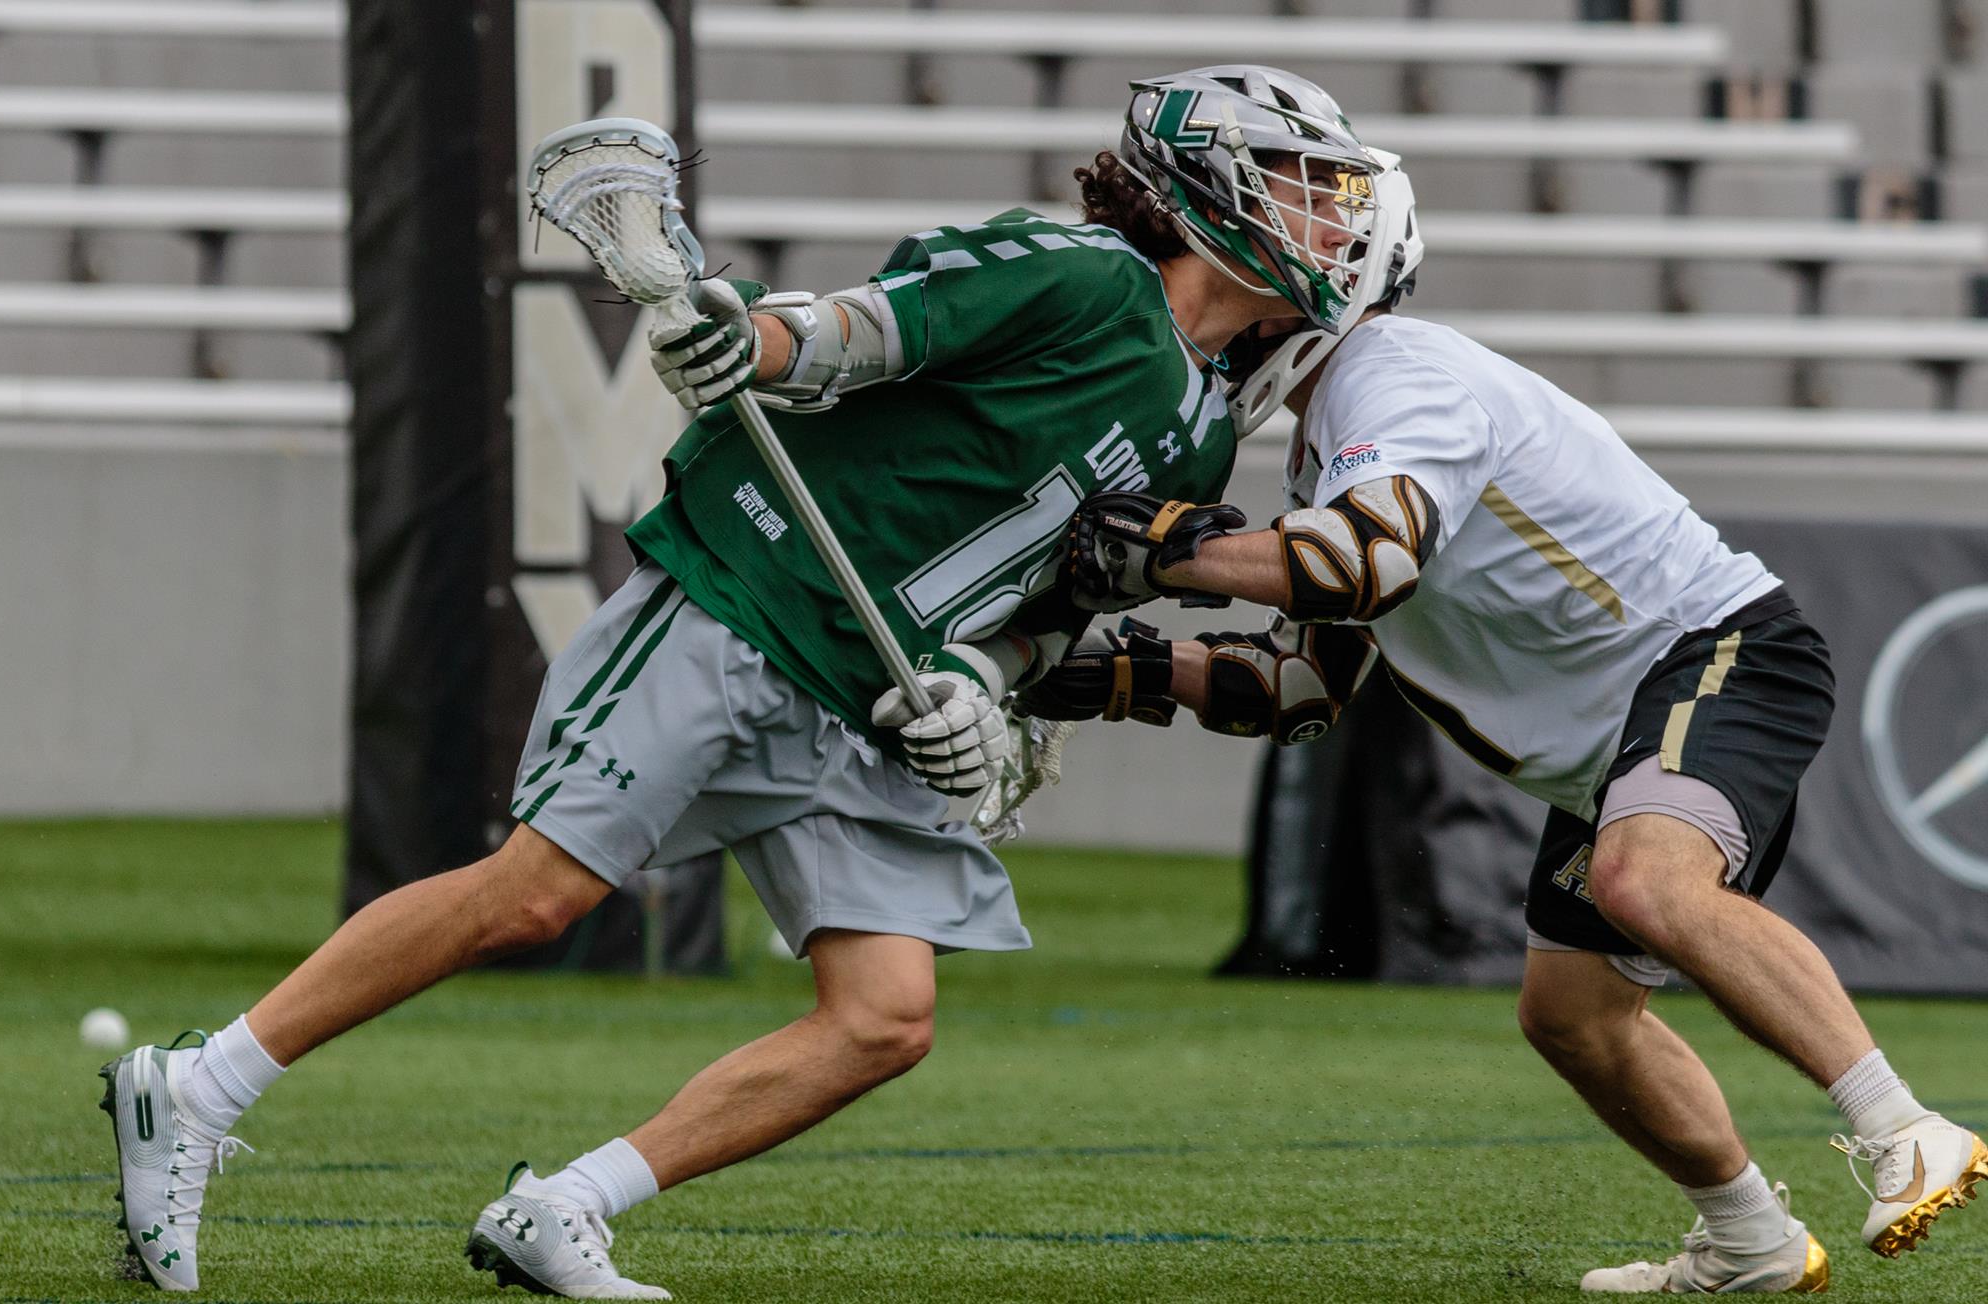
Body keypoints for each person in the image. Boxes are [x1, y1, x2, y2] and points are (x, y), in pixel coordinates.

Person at [98, 66, 1387, 1298]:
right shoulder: (1085, 276)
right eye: (1307, 182)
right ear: (1215, 173)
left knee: (882, 1017)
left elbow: (1047, 612)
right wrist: (752, 341)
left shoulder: (1201, 438)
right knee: (536, 895)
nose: (1330, 220)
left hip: (868, 704)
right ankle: (198, 1086)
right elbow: (868, 330)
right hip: (752, 601)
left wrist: (977, 687)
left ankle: (568, 1203)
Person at [1018, 140, 1988, 1294]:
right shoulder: (1333, 442)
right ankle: (1749, 1239)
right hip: (1618, 734)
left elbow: (1359, 560)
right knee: (1570, 1014)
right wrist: (1109, 670)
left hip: (1713, 650)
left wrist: (1164, 550)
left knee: (1641, 881)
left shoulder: (1391, 373)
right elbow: (1296, 686)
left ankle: (1901, 1124)